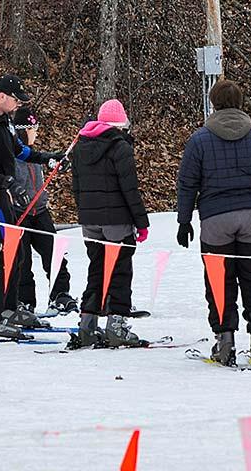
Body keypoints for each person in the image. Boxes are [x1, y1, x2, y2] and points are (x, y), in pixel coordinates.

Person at [176, 80, 251, 367]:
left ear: (214, 103)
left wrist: (184, 220)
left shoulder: (200, 139)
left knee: (219, 282)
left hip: (215, 217)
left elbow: (187, 184)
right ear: (241, 102)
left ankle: (225, 340)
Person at [0, 75, 65, 339]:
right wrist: (7, 182)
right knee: (3, 252)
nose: (18, 103)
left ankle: (8, 309)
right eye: (15, 98)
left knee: (17, 251)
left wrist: (48, 157)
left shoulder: (4, 122)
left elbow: (19, 151)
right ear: (0, 96)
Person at [70, 99, 151, 347]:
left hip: (90, 221)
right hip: (117, 221)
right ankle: (117, 325)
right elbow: (130, 189)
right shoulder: (120, 147)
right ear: (120, 124)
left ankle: (87, 324)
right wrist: (142, 222)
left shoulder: (80, 146)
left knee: (96, 269)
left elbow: (77, 187)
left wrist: (85, 213)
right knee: (120, 272)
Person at [11, 106, 79, 316]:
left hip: (39, 211)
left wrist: (57, 163)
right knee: (22, 260)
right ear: (22, 130)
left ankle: (60, 294)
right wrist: (15, 189)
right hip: (19, 213)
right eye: (33, 128)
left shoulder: (34, 152)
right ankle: (23, 301)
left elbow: (46, 160)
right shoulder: (13, 152)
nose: (37, 132)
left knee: (54, 253)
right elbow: (4, 176)